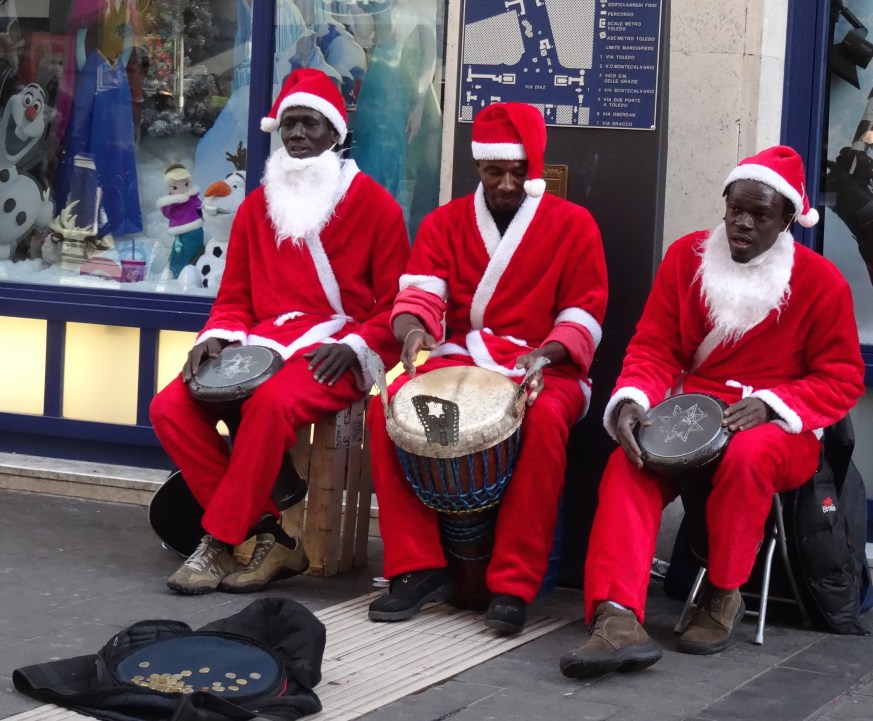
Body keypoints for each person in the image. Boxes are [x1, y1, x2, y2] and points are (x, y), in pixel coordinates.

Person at [559, 146, 866, 679]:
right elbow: (655, 347)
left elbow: (841, 378)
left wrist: (772, 405)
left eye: (761, 215)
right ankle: (615, 617)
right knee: (627, 465)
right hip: (694, 414)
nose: (742, 224)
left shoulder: (821, 283)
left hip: (778, 427)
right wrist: (633, 400)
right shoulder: (686, 257)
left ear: (788, 219)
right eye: (735, 210)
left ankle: (725, 593)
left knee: (749, 456)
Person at [149, 68, 410, 595]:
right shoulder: (253, 209)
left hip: (334, 352)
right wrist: (215, 336)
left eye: (308, 124)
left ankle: (218, 543)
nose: (295, 135)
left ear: (335, 133)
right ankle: (269, 530)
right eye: (288, 124)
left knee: (268, 407)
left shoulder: (375, 207)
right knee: (169, 407)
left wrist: (358, 345)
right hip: (260, 346)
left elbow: (397, 304)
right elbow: (234, 299)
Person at [366, 101, 609, 634]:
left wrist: (546, 353)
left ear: (535, 169)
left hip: (546, 366)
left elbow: (584, 314)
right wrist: (412, 334)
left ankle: (513, 584)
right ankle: (415, 565)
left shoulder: (574, 227)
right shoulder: (444, 223)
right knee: (383, 403)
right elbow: (420, 296)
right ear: (477, 167)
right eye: (493, 171)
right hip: (460, 358)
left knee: (542, 422)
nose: (505, 184)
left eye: (517, 173)